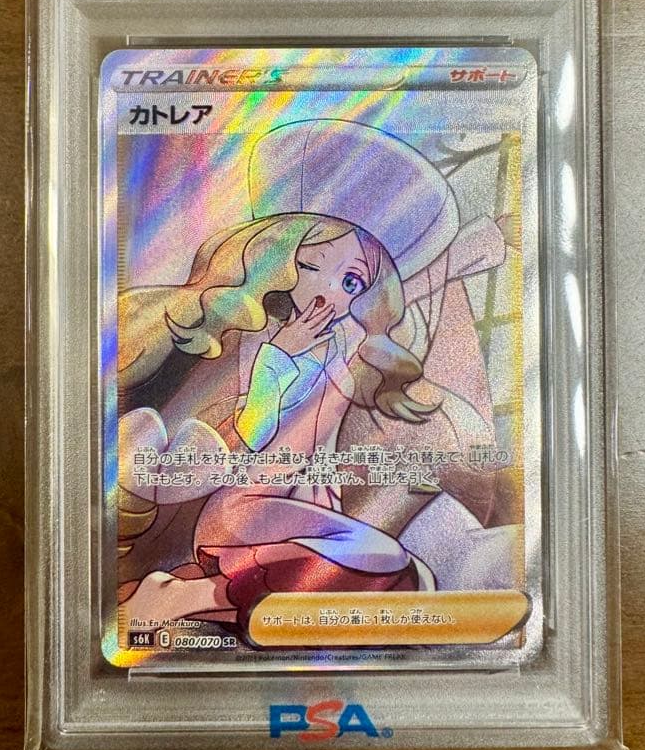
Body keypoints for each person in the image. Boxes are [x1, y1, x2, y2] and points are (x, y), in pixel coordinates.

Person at [116, 119, 515, 635]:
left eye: (351, 281)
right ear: (278, 259)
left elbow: (419, 281)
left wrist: (489, 239)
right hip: (242, 514)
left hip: (303, 517)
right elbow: (238, 440)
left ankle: (202, 596)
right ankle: (191, 595)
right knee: (383, 559)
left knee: (396, 571)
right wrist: (277, 360)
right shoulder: (251, 341)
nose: (330, 291)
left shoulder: (342, 344)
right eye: (312, 265)